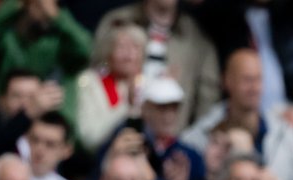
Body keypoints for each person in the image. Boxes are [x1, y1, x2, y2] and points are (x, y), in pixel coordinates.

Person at [181, 49, 293, 180]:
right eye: (247, 80)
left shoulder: (285, 132)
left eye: (258, 79)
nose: (254, 88)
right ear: (227, 81)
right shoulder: (200, 134)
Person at [93, 0, 221, 128]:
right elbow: (96, 73)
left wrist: (191, 137)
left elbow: (208, 97)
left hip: (173, 135)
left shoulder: (196, 37)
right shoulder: (118, 22)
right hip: (114, 129)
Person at [75, 23, 146, 153]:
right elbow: (89, 138)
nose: (129, 55)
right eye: (122, 47)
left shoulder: (150, 86)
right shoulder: (91, 82)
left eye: (135, 47)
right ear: (108, 52)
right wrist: (127, 105)